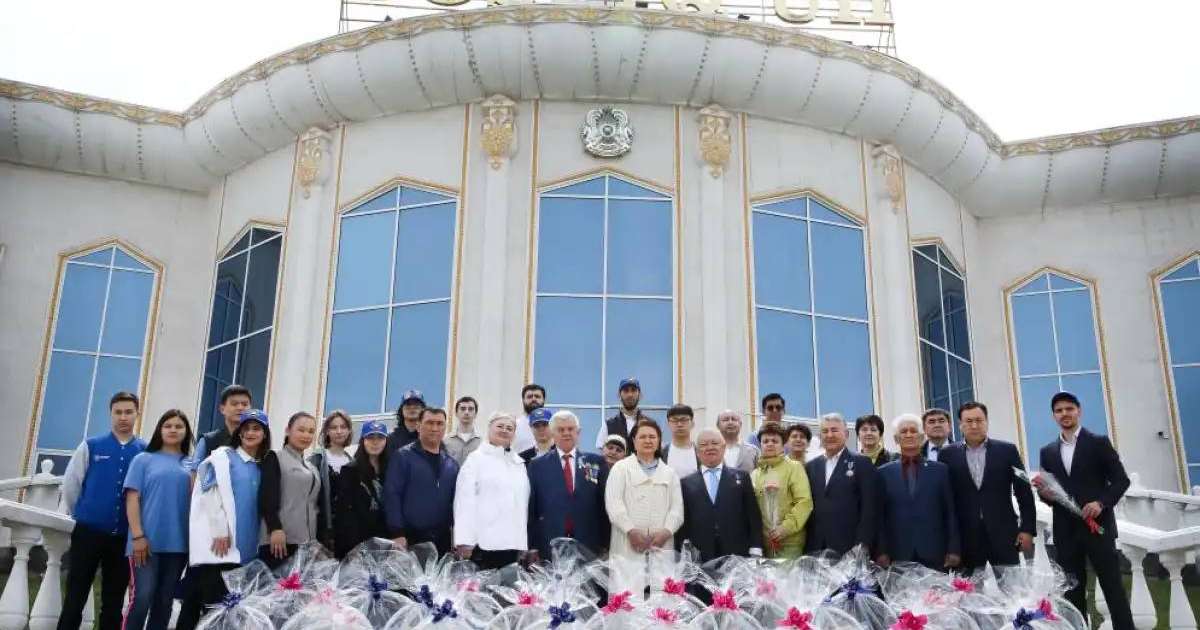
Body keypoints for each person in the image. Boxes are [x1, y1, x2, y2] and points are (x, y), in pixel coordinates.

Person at [1037, 392, 1133, 630]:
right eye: (1059, 410)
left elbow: (1121, 481)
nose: (1064, 414)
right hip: (1066, 531)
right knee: (1073, 592)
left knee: (1113, 589)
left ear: (1079, 411)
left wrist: (1100, 503)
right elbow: (1051, 492)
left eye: (1069, 409)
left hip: (1098, 528)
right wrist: (1044, 495)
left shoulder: (1099, 443)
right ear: (1053, 416)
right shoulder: (1047, 451)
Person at [58, 391, 148, 630]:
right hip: (88, 533)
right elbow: (71, 485)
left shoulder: (145, 451)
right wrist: (83, 514)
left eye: (128, 412)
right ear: (111, 414)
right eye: (118, 412)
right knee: (75, 595)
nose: (123, 417)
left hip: (123, 539)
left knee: (113, 601)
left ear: (137, 414)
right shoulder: (91, 446)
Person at [177, 410, 270, 630]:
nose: (250, 433)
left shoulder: (261, 465)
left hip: (246, 551)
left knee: (233, 613)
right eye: (245, 428)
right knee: (212, 609)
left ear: (265, 434)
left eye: (256, 428)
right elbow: (209, 493)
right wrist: (220, 530)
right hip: (220, 549)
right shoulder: (222, 456)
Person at [940, 402, 1035, 570]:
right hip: (966, 538)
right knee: (969, 592)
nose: (974, 425)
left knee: (1012, 591)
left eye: (979, 420)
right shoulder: (947, 454)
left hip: (1004, 535)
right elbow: (944, 499)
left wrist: (1027, 529)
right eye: (968, 421)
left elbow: (1024, 493)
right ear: (960, 425)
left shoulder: (1007, 451)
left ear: (987, 421)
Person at [122, 409, 193, 630]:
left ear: (186, 432)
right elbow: (132, 500)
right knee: (142, 597)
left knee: (164, 602)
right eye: (168, 425)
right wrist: (138, 536)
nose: (173, 430)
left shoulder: (192, 464)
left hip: (179, 545)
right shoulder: (143, 460)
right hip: (145, 542)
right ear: (160, 430)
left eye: (179, 426)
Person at [875, 414, 959, 571]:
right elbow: (879, 516)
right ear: (896, 439)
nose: (908, 435)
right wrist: (881, 551)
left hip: (935, 552)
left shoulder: (941, 470)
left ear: (921, 437)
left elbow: (950, 512)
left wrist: (953, 549)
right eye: (903, 431)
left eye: (913, 431)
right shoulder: (883, 473)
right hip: (897, 553)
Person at [527, 410, 610, 560]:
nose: (566, 433)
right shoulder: (536, 465)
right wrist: (532, 546)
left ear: (578, 432)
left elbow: (603, 506)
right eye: (561, 430)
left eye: (570, 429)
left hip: (589, 544)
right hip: (550, 543)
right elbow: (532, 509)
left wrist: (605, 544)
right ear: (552, 433)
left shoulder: (596, 462)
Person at [454, 412, 530, 569]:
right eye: (500, 426)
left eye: (509, 428)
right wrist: (464, 540)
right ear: (489, 429)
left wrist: (523, 543)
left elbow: (523, 505)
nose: (504, 430)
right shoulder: (476, 459)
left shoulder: (518, 463)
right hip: (483, 544)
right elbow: (464, 500)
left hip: (512, 544)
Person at [677, 428, 763, 562]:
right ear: (697, 452)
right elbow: (684, 521)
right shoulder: (686, 483)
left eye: (714, 443)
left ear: (723, 448)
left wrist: (756, 547)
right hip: (700, 554)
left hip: (737, 550)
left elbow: (753, 515)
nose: (710, 448)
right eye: (704, 445)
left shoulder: (742, 477)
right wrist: (682, 552)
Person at [605, 419, 684, 562]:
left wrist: (666, 532)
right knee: (628, 583)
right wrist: (630, 531)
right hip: (627, 545)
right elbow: (614, 504)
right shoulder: (620, 469)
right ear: (634, 442)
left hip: (661, 546)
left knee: (662, 584)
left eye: (652, 437)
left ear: (659, 440)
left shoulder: (669, 473)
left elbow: (677, 510)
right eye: (642, 437)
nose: (648, 440)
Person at [384, 408, 459, 554]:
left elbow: (457, 503)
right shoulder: (403, 456)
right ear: (418, 426)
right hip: (410, 538)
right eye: (429, 423)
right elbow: (392, 494)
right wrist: (397, 533)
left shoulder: (451, 464)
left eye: (439, 423)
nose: (434, 428)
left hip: (442, 539)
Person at [804, 413, 878, 556]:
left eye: (834, 430)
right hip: (816, 546)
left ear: (846, 434)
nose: (829, 435)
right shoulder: (811, 466)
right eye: (825, 431)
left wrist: (862, 544)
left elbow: (869, 508)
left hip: (850, 547)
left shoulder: (861, 463)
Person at [259, 411, 321, 568]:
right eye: (301, 430)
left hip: (306, 542)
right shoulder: (274, 457)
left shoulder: (311, 466)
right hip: (280, 541)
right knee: (277, 590)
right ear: (288, 430)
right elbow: (267, 496)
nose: (306, 435)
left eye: (311, 431)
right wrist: (275, 529)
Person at [751, 424, 813, 559]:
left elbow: (804, 502)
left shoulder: (794, 467)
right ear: (760, 444)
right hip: (764, 544)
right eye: (765, 441)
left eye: (775, 441)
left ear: (783, 444)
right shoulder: (755, 474)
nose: (770, 444)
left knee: (786, 580)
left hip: (790, 542)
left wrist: (785, 528)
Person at [335, 421, 394, 557]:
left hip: (385, 541)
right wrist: (354, 548)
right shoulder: (349, 470)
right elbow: (345, 513)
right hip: (357, 543)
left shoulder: (391, 470)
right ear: (363, 441)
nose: (375, 442)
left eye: (380, 438)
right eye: (370, 438)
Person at [310, 410, 353, 552]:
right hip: (322, 529)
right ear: (327, 431)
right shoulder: (316, 459)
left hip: (347, 531)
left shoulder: (353, 461)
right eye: (334, 427)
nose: (339, 431)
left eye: (343, 427)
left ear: (349, 431)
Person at [192, 384, 252, 472]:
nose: (240, 408)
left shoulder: (256, 440)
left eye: (244, 404)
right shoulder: (208, 441)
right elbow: (194, 473)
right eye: (234, 404)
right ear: (222, 409)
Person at [595, 377, 656, 449]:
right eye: (626, 391)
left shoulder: (649, 424)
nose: (630, 394)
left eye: (633, 390)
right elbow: (601, 451)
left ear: (640, 395)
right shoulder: (609, 424)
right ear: (619, 395)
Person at [661, 404, 699, 478]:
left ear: (692, 423)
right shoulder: (662, 453)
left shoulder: (700, 453)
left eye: (684, 420)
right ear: (668, 424)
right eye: (675, 420)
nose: (679, 424)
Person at [386, 389, 426, 455]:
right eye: (408, 405)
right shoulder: (391, 439)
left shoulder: (428, 437)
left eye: (416, 405)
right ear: (401, 410)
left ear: (423, 409)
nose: (412, 408)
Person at [445, 396, 482, 465]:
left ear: (475, 414)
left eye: (470, 409)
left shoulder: (481, 443)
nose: (466, 412)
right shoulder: (445, 441)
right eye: (463, 409)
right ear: (456, 413)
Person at [514, 383, 546, 453]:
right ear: (523, 400)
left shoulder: (552, 425)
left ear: (543, 400)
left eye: (537, 396)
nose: (533, 399)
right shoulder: (514, 425)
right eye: (529, 397)